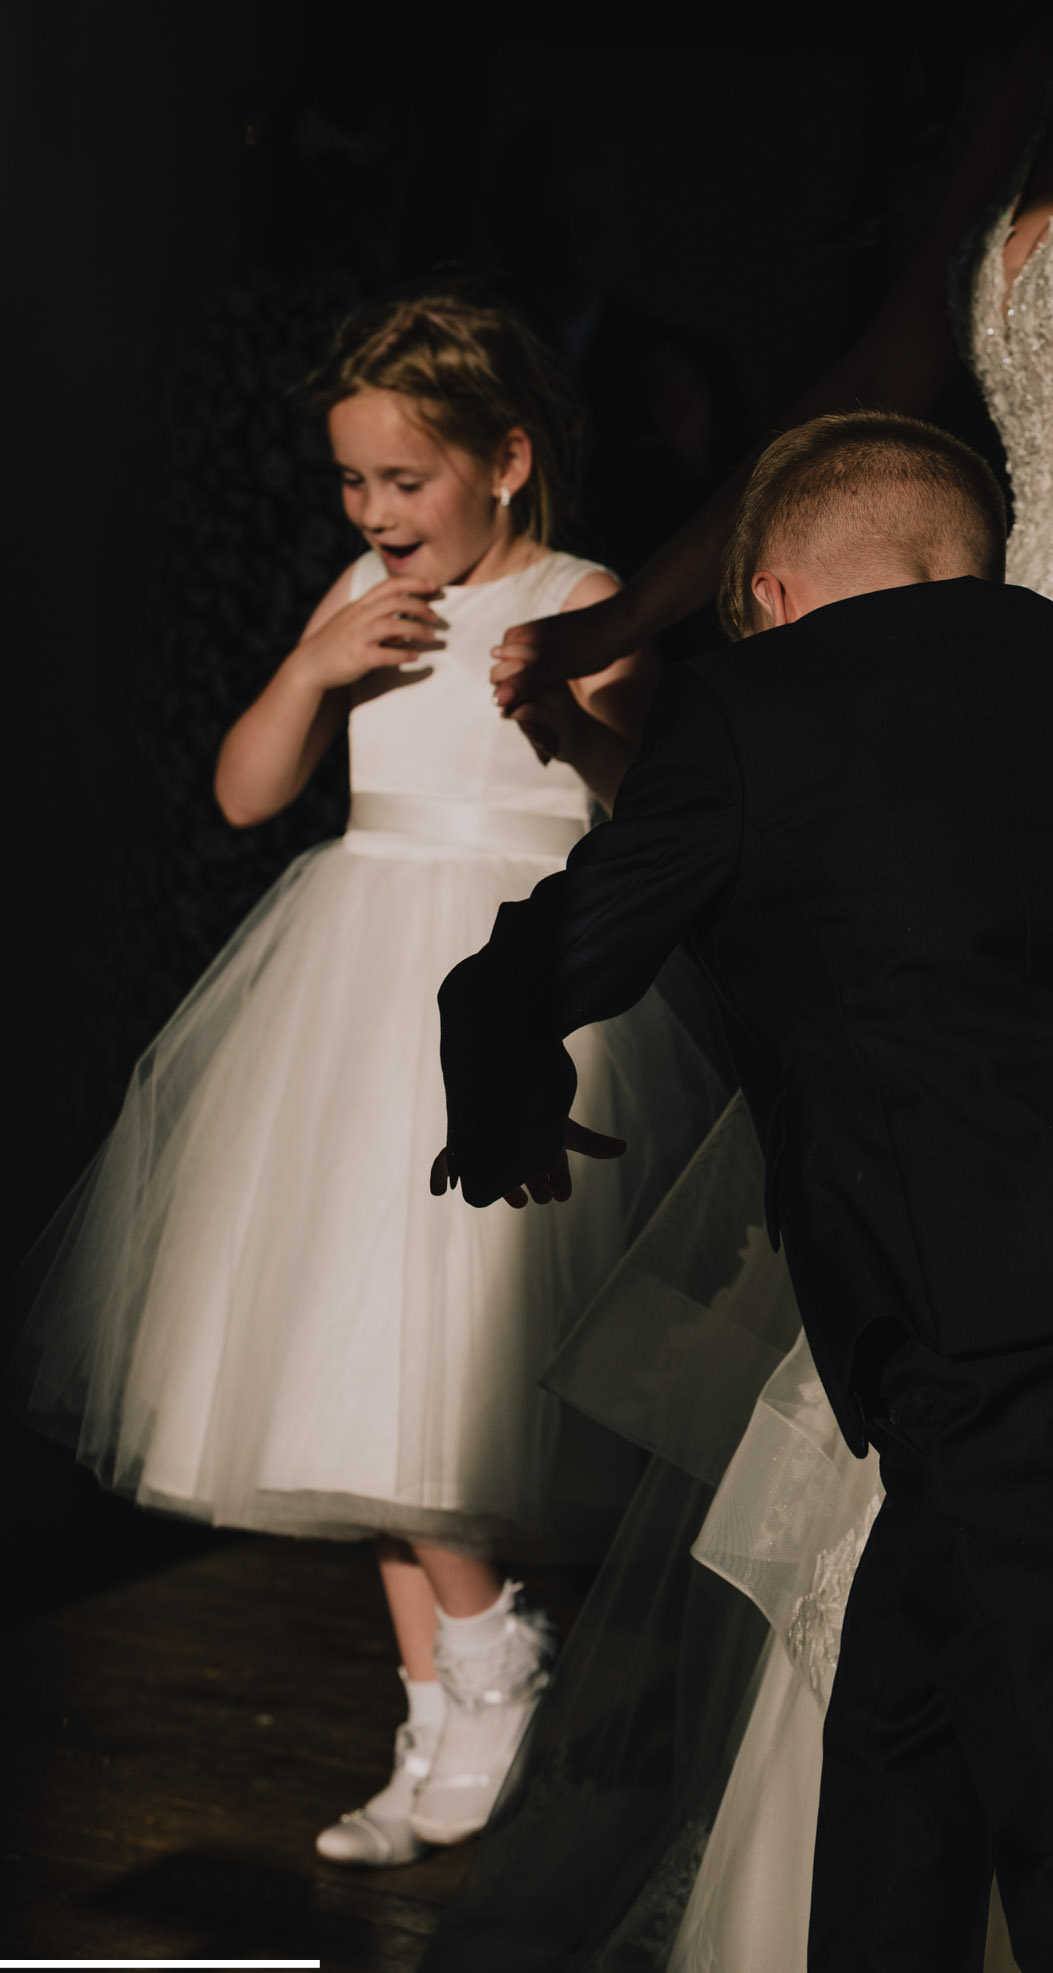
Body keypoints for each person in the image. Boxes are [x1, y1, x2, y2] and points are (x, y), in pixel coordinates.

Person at [437, 8, 1053, 1973]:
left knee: (1042, 1615)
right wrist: (618, 623)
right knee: (947, 1583)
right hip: (1021, 720)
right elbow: (871, 392)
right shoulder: (1022, 88)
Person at [10, 287, 730, 1869]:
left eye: (404, 482)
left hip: (509, 990)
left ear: (507, 461)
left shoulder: (580, 596)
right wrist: (317, 667)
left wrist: (565, 712)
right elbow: (248, 791)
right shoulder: (358, 599)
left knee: (433, 1376)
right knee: (353, 1374)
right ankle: (442, 1721)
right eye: (352, 482)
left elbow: (643, 818)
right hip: (347, 999)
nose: (374, 513)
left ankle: (490, 1665)